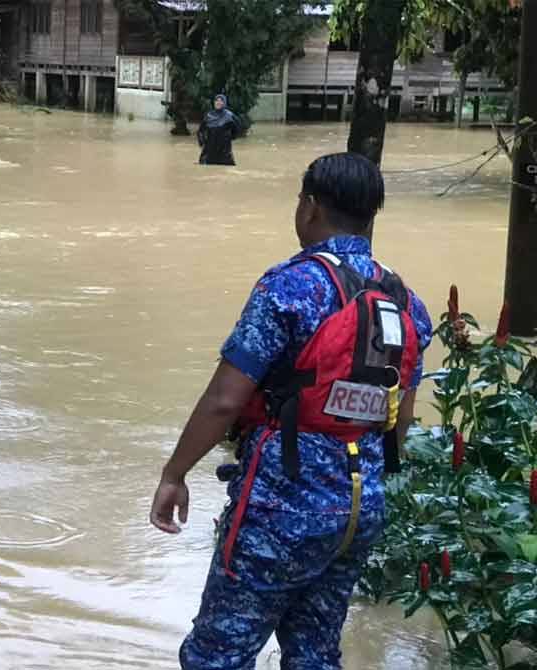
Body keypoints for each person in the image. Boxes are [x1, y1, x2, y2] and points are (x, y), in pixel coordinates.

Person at [150, 153, 433, 670]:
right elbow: (400, 420)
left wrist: (175, 472)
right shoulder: (406, 304)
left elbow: (225, 400)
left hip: (280, 508)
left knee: (217, 655)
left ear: (309, 207)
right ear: (372, 216)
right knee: (314, 654)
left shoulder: (289, 287)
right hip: (357, 509)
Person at [197, 94, 242, 166]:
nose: (218, 102)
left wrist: (230, 137)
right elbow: (200, 131)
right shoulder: (208, 115)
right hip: (209, 151)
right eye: (217, 100)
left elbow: (238, 128)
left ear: (224, 103)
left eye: (221, 101)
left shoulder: (229, 116)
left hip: (224, 152)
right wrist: (202, 142)